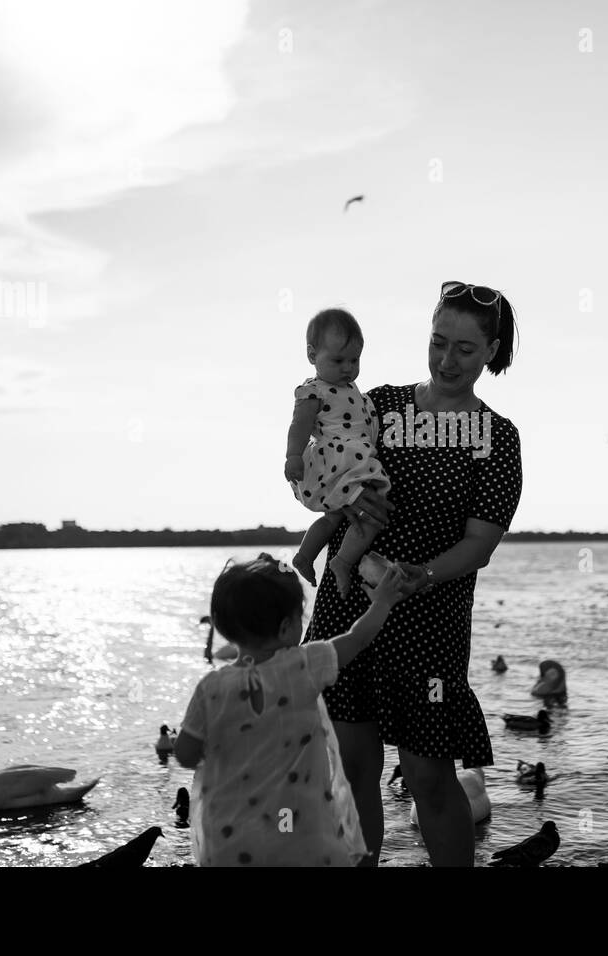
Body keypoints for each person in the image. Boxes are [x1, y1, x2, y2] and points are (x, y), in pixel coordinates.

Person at [303, 280, 523, 866]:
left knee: (428, 777)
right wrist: (345, 502)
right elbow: (327, 469)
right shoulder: (380, 403)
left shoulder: (497, 439)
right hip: (349, 604)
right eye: (438, 342)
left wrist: (418, 574)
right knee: (352, 770)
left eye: (466, 349)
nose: (447, 360)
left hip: (430, 619)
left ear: (491, 351)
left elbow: (478, 545)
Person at [174, 552, 408, 866]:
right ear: (286, 627)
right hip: (302, 838)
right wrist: (381, 603)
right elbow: (358, 638)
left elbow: (186, 755)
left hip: (229, 839)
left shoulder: (210, 689)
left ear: (220, 625)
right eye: (302, 616)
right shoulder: (305, 665)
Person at [284, 309, 392, 596]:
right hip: (338, 463)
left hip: (351, 462)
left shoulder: (349, 387)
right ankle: (342, 562)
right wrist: (293, 456)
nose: (348, 368)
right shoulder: (313, 391)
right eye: (338, 360)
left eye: (354, 360)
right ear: (312, 355)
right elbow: (299, 426)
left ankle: (305, 556)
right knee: (372, 515)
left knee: (333, 519)